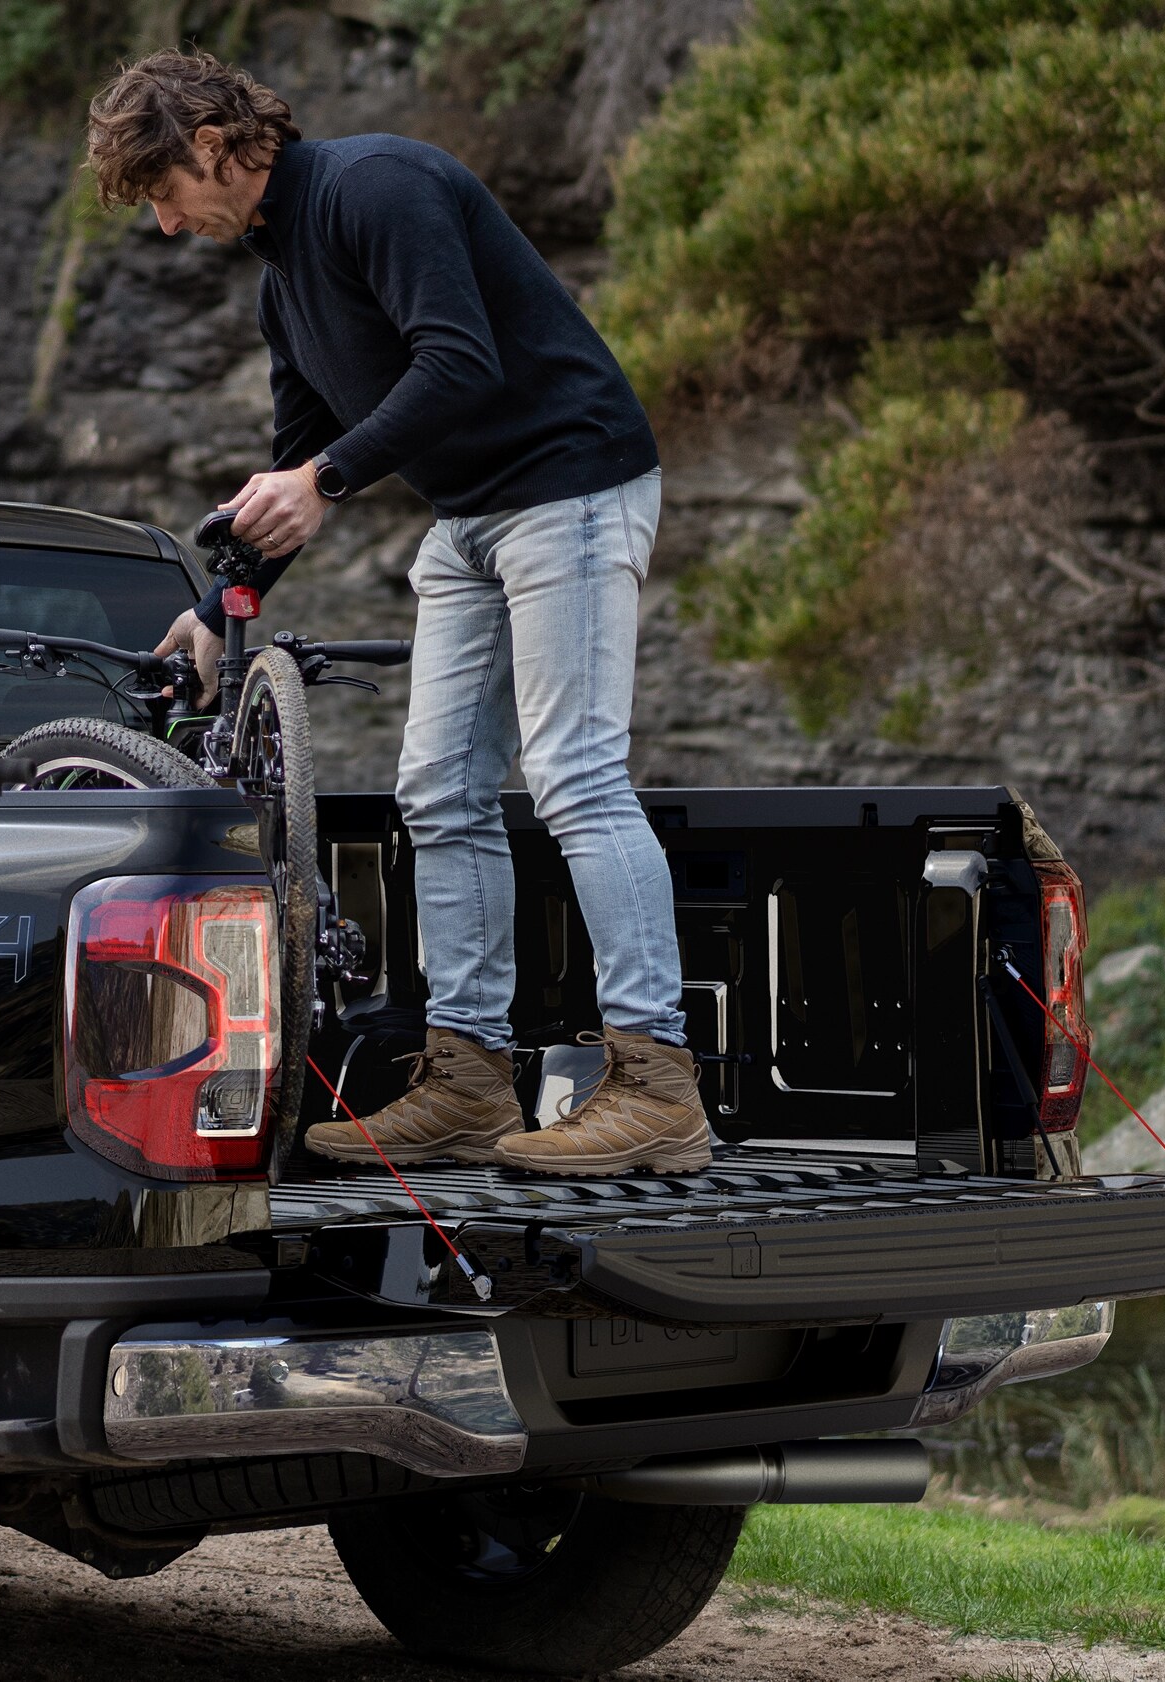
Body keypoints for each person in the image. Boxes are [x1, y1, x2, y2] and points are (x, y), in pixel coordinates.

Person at [87, 54, 706, 1177]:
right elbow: (290, 462)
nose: (168, 225)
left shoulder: (377, 188)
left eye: (164, 191)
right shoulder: (283, 285)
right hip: (470, 514)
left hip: (569, 483)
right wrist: (221, 612)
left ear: (216, 145)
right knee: (438, 790)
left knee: (573, 770)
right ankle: (470, 1081)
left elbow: (458, 362)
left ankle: (657, 1083)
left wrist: (326, 478)